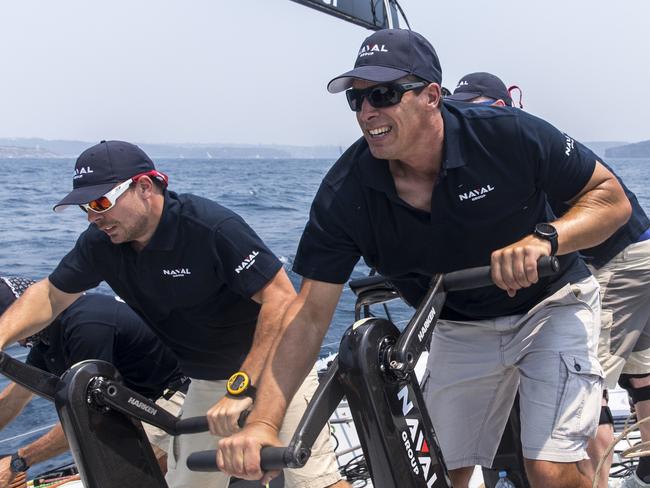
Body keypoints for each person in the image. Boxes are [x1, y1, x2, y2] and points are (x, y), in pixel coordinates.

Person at [216, 28, 633, 488]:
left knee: (549, 471)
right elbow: (310, 314)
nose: (368, 111)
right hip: (457, 325)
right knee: (441, 474)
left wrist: (546, 239)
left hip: (549, 306)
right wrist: (263, 423)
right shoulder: (346, 193)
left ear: (432, 95)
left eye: (384, 94)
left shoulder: (506, 135)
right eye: (356, 100)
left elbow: (610, 199)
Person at [0, 141, 347, 488]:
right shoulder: (100, 245)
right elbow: (48, 294)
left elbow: (281, 299)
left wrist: (242, 385)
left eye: (101, 203)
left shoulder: (210, 227)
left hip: (275, 371)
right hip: (207, 383)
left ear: (145, 187)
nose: (93, 217)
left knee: (314, 483)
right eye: (85, 208)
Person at [449, 72, 650, 488]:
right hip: (643, 255)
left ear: (501, 108)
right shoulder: (546, 140)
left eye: (474, 108)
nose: (465, 119)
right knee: (643, 376)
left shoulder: (517, 150)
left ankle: (594, 482)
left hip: (619, 262)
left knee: (580, 385)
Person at [0, 276, 188, 487]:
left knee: (123, 480)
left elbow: (87, 419)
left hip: (174, 399)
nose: (12, 337)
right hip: (138, 403)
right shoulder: (47, 333)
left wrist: (20, 460)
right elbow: (14, 397)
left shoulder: (85, 328)